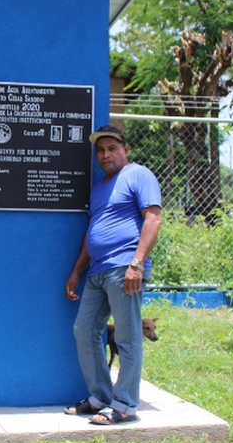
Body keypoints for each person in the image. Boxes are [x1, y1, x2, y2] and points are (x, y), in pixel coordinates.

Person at [64, 124, 161, 425]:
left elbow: (153, 219)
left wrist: (137, 264)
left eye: (112, 148)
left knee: (128, 336)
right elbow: (92, 233)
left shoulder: (139, 175)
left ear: (125, 150)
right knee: (85, 330)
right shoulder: (99, 188)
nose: (105, 155)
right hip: (96, 271)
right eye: (100, 150)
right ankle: (100, 397)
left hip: (124, 269)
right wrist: (76, 272)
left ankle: (125, 404)